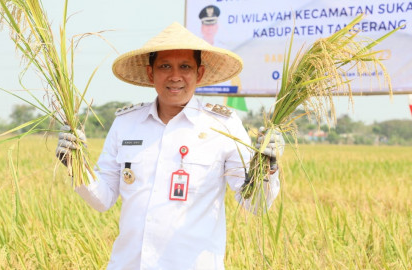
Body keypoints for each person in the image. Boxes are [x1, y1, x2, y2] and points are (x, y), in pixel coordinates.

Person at [56, 22, 283, 269]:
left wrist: (267, 170)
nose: (175, 76)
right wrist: (74, 163)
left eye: (185, 66)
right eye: (165, 66)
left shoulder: (224, 127)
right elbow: (103, 198)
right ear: (151, 73)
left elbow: (254, 204)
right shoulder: (126, 124)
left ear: (200, 73)